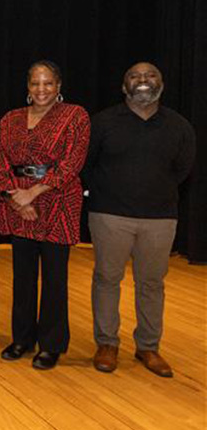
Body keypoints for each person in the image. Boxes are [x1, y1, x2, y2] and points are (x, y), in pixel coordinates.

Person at [84, 62, 196, 377]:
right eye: (135, 76)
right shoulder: (103, 122)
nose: (143, 80)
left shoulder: (179, 126)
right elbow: (87, 165)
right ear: (124, 87)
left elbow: (183, 170)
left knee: (151, 283)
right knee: (107, 279)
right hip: (109, 215)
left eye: (150, 76)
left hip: (160, 219)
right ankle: (107, 343)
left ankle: (148, 346)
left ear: (161, 83)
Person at [0, 60, 89, 370]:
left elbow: (72, 163)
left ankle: (51, 344)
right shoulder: (10, 119)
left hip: (58, 202)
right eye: (36, 83)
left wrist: (33, 193)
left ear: (59, 86)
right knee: (22, 278)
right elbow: (2, 163)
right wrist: (16, 199)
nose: (41, 89)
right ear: (27, 87)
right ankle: (22, 339)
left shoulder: (75, 116)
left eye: (48, 83)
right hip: (18, 204)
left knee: (54, 278)